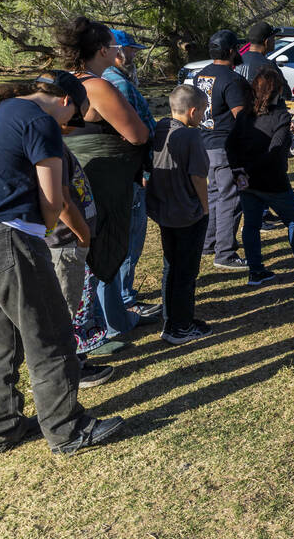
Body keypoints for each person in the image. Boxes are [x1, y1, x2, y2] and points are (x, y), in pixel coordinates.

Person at [0, 77, 125, 455]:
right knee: (51, 336)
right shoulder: (39, 121)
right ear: (65, 99)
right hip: (6, 242)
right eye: (74, 116)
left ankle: (2, 427)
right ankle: (67, 429)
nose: (69, 125)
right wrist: (40, 233)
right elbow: (53, 198)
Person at [57, 17, 152, 353]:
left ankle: (101, 324)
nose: (118, 52)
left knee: (80, 254)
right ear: (101, 50)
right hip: (98, 178)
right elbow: (137, 134)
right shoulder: (97, 86)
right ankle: (87, 335)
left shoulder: (61, 80)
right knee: (94, 252)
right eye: (114, 46)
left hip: (71, 175)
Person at [37, 71, 113, 388]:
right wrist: (82, 235)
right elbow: (61, 201)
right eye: (74, 117)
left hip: (72, 241)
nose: (75, 124)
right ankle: (73, 370)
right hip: (65, 243)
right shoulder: (47, 143)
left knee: (74, 303)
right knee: (66, 309)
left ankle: (76, 358)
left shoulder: (57, 143)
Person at [229, 67, 294, 287]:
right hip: (272, 181)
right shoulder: (280, 117)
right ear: (278, 91)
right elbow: (275, 151)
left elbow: (230, 144)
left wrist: (239, 171)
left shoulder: (244, 115)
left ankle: (256, 271)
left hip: (247, 181)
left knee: (251, 225)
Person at [146, 85, 215, 344]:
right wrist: (205, 206)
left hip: (164, 209)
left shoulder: (160, 127)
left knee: (170, 266)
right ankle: (181, 326)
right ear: (194, 111)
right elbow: (198, 176)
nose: (204, 116)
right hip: (187, 212)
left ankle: (171, 318)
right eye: (203, 111)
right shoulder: (191, 137)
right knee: (186, 272)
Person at [104, 29, 158, 321]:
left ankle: (118, 298)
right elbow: (135, 134)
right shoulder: (117, 86)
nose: (134, 56)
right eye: (130, 51)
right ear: (114, 51)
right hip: (130, 173)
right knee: (129, 238)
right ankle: (125, 300)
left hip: (121, 172)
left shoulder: (111, 82)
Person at [194, 29, 253, 271]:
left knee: (214, 194)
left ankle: (208, 243)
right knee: (231, 197)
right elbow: (241, 116)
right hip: (224, 146)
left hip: (203, 142)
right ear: (231, 51)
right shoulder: (232, 79)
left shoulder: (200, 75)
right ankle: (225, 253)